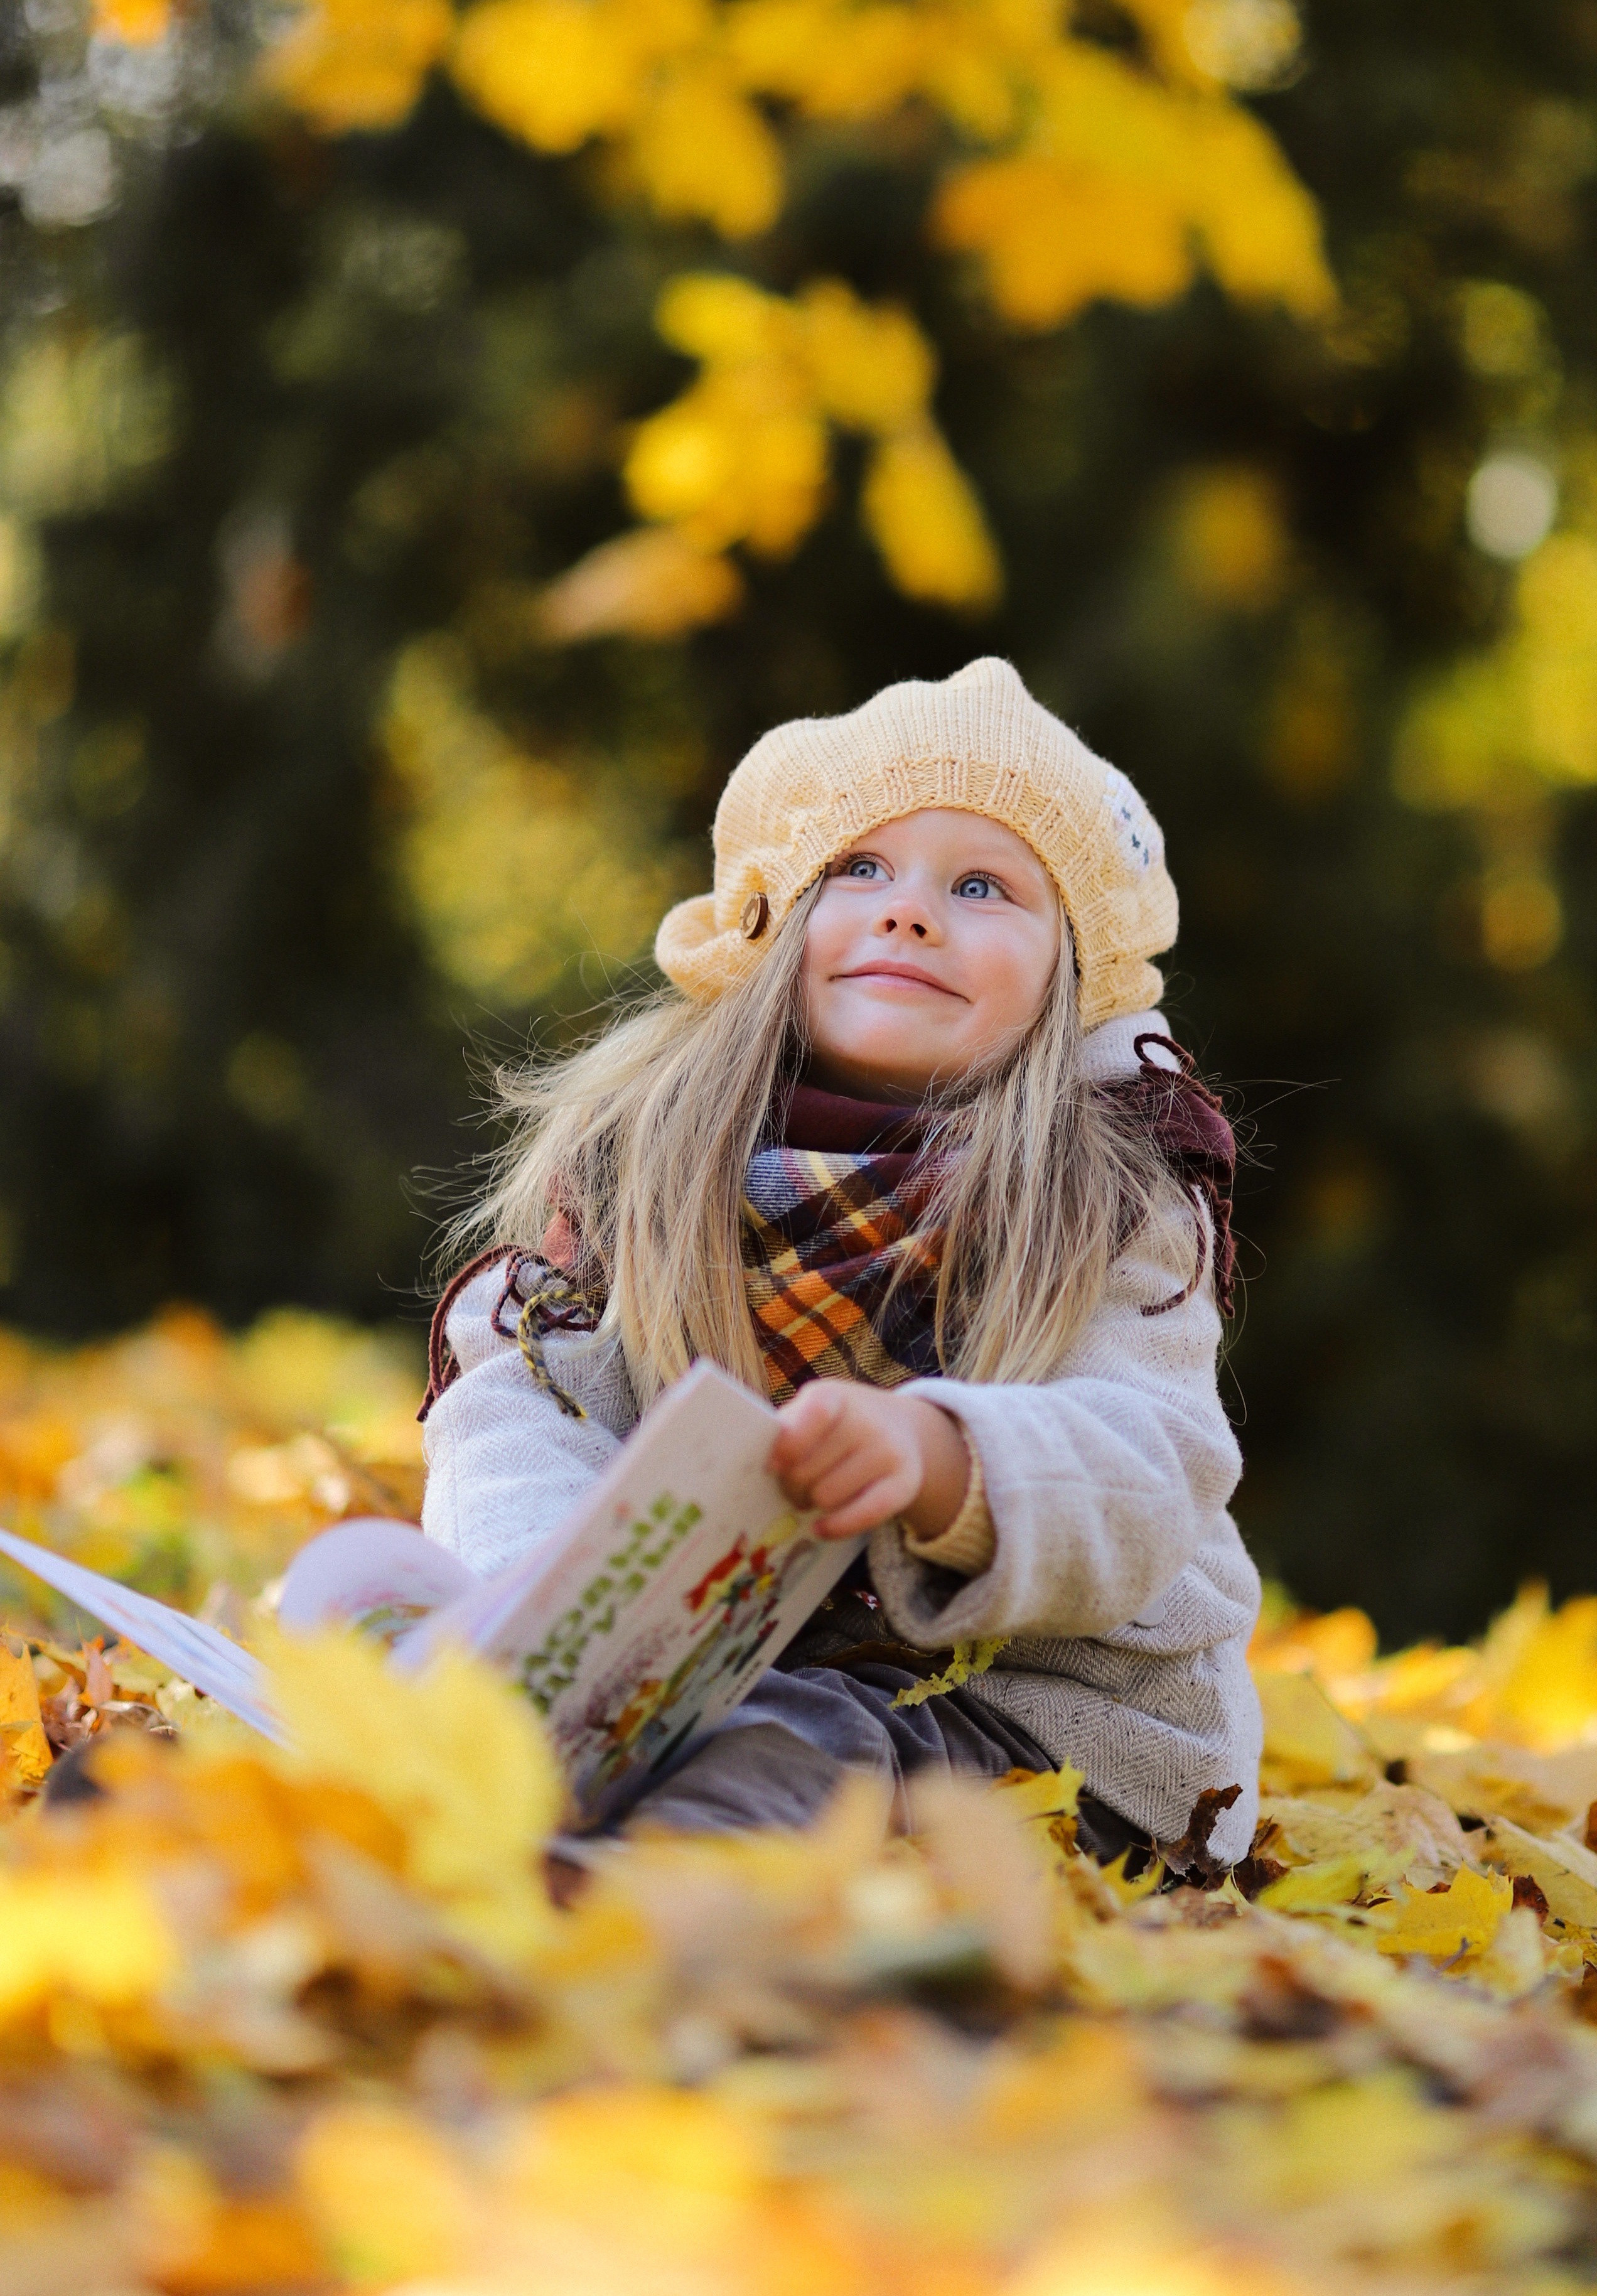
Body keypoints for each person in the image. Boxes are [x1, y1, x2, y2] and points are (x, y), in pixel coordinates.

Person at [419, 658, 1262, 1871]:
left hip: (1044, 1722)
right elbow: (523, 1403)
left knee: (790, 1743)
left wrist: (943, 1460)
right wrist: (539, 1607)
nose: (908, 911)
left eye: (982, 886)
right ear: (777, 920)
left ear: (1069, 973)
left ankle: (631, 1888)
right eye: (860, 869)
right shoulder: (650, 1153)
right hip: (692, 1677)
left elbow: (1149, 1469)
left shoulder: (1112, 1190)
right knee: (384, 1621)